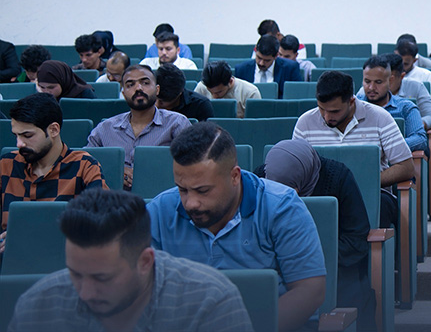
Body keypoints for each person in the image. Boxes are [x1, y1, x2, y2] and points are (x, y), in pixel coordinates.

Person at [147, 122, 326, 332]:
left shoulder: (282, 207)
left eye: (203, 191)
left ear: (234, 176)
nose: (190, 203)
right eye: (182, 189)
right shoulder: (159, 211)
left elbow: (310, 290)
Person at [8, 188, 254, 332]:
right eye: (75, 273)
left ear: (145, 261)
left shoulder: (210, 302)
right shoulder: (37, 306)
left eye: (102, 278)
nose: (85, 292)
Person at [260, 140, 375, 331]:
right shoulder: (262, 179)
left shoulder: (338, 177)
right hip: (275, 265)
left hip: (334, 264)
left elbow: (356, 239)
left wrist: (307, 258)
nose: (286, 197)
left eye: (292, 190)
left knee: (351, 293)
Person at [294, 70, 414, 228]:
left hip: (371, 194)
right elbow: (295, 170)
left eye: (335, 111)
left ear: (351, 101)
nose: (327, 117)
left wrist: (364, 182)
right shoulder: (305, 122)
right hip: (322, 196)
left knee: (380, 207)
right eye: (322, 109)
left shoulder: (380, 117)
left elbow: (406, 167)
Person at [1, 93, 105, 238]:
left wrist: (24, 237)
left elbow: (101, 223)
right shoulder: (6, 164)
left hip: (63, 248)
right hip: (8, 250)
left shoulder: (84, 166)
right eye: (16, 135)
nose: (19, 144)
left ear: (54, 130)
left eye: (27, 136)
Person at [87, 64, 191, 189]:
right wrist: (115, 171)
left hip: (160, 193)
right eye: (130, 85)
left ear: (157, 89)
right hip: (113, 197)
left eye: (145, 83)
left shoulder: (177, 123)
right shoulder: (104, 129)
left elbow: (193, 163)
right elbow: (84, 164)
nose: (138, 88)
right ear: (123, 93)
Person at [356, 55, 428, 154]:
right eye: (367, 81)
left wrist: (389, 147)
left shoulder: (405, 108)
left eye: (378, 82)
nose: (371, 87)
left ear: (390, 81)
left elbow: (420, 139)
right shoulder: (354, 107)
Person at [382, 52, 431, 129]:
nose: (385, 83)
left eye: (390, 79)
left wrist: (414, 124)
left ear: (402, 76)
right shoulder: (371, 90)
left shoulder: (416, 87)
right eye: (381, 79)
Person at [235, 34, 302, 97]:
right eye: (259, 58)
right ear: (255, 50)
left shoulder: (290, 68)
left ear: (276, 56)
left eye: (267, 60)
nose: (261, 63)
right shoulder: (241, 70)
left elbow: (296, 95)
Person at [194, 60, 261, 118]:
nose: (214, 96)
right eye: (210, 92)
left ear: (230, 81)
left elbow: (254, 124)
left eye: (218, 92)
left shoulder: (250, 93)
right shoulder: (201, 87)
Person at [395, 40, 431, 106]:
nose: (401, 67)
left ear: (414, 60)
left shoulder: (427, 75)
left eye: (406, 64)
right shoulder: (389, 75)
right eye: (399, 62)